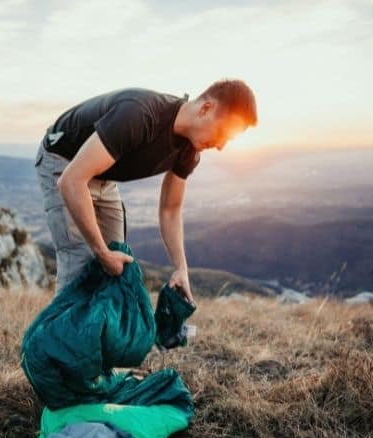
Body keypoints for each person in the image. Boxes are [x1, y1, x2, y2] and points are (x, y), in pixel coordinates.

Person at [33, 78, 257, 301]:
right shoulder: (139, 115)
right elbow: (71, 180)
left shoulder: (190, 150)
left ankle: (102, 334)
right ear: (206, 109)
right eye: (222, 134)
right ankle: (58, 335)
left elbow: (170, 209)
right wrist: (101, 252)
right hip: (63, 162)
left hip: (102, 173)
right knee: (80, 262)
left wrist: (181, 268)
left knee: (117, 263)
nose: (220, 146)